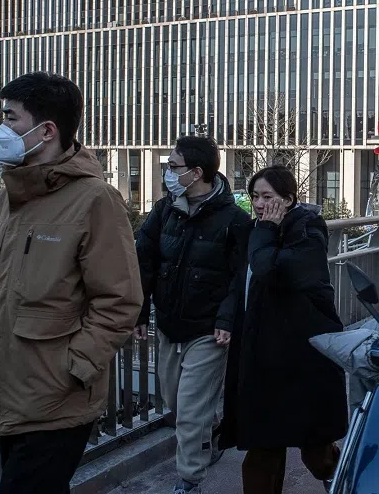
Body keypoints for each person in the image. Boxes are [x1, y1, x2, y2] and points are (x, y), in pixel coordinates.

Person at [0, 73, 143, 493]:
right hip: (5, 390)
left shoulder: (95, 199)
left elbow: (119, 301)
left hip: (57, 399)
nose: (0, 130)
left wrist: (74, 367)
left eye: (10, 119)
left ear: (46, 131)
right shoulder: (7, 198)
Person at [218, 166, 348, 494]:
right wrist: (226, 319)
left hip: (303, 358)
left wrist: (264, 231)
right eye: (254, 197)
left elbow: (269, 269)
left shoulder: (309, 231)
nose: (260, 204)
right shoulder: (253, 231)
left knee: (316, 452)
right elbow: (242, 283)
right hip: (262, 358)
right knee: (262, 450)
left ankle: (348, 479)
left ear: (289, 200)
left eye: (268, 197)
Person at [134, 136, 251, 494]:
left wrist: (227, 320)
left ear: (196, 172)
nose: (167, 172)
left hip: (209, 330)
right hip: (169, 323)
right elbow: (145, 259)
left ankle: (189, 480)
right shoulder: (164, 209)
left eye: (173, 166)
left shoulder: (234, 220)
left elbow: (240, 276)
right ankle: (211, 431)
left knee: (188, 412)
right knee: (172, 399)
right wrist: (140, 311)